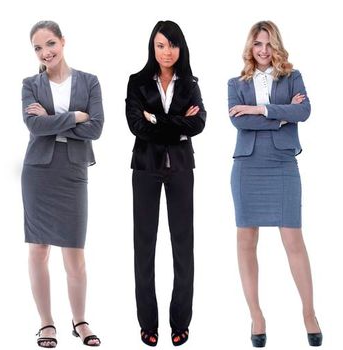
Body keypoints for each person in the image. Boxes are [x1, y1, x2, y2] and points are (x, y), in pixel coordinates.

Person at [226, 20, 321, 348]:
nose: (263, 50)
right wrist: (282, 116)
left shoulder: (292, 77)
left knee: (293, 239)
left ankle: (309, 313)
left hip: (282, 164)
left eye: (268, 44)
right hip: (247, 166)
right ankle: (257, 315)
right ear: (250, 48)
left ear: (276, 45)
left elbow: (305, 111)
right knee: (246, 240)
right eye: (257, 44)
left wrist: (259, 109)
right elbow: (238, 121)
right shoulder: (235, 83)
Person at [20, 20, 104, 348]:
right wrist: (75, 117)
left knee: (74, 253)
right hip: (38, 171)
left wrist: (53, 120)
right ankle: (46, 323)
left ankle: (80, 320)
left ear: (63, 42)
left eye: (50, 44)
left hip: (73, 171)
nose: (46, 52)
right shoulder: (30, 84)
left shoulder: (89, 81)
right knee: (39, 249)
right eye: (38, 48)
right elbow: (33, 125)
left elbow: (96, 128)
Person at [124, 20, 205, 347]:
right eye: (160, 45)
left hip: (181, 168)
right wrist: (177, 124)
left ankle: (180, 321)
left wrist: (156, 119)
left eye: (172, 45)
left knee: (183, 246)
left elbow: (198, 123)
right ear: (152, 47)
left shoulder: (190, 83)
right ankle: (148, 322)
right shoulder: (137, 82)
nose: (167, 52)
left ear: (180, 47)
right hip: (145, 167)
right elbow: (135, 126)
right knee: (144, 247)